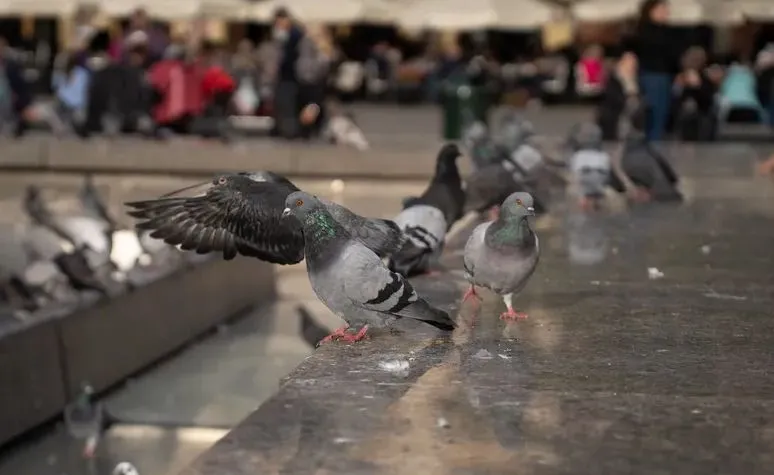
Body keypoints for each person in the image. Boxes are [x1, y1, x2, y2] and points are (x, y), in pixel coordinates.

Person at [631, 0, 679, 141]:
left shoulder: (666, 31)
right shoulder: (645, 31)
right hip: (651, 74)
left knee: (662, 113)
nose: (666, 13)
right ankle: (651, 142)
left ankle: (655, 141)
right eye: (662, 9)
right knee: (653, 112)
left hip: (665, 75)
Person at [271, 8, 304, 140]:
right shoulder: (289, 34)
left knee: (288, 102)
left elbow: (289, 56)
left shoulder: (295, 34)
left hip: (292, 76)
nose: (278, 24)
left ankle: (290, 130)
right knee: (283, 102)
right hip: (286, 76)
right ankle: (284, 129)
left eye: (279, 21)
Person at [296, 25, 334, 140]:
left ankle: (307, 129)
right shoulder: (314, 48)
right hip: (314, 82)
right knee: (314, 106)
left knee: (310, 106)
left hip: (307, 82)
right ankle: (311, 128)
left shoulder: (305, 48)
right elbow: (323, 66)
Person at [673, 46, 716, 140]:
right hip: (686, 119)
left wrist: (697, 86)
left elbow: (707, 100)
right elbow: (676, 97)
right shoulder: (680, 78)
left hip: (701, 118)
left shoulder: (705, 78)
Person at [597, 52, 640, 140]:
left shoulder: (636, 80)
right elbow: (612, 98)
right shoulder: (614, 79)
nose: (632, 66)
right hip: (616, 116)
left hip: (631, 118)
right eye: (629, 63)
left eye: (634, 64)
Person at [51, 53, 90, 133]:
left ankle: (62, 125)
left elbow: (57, 91)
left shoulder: (60, 73)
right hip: (79, 108)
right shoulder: (84, 73)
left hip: (66, 106)